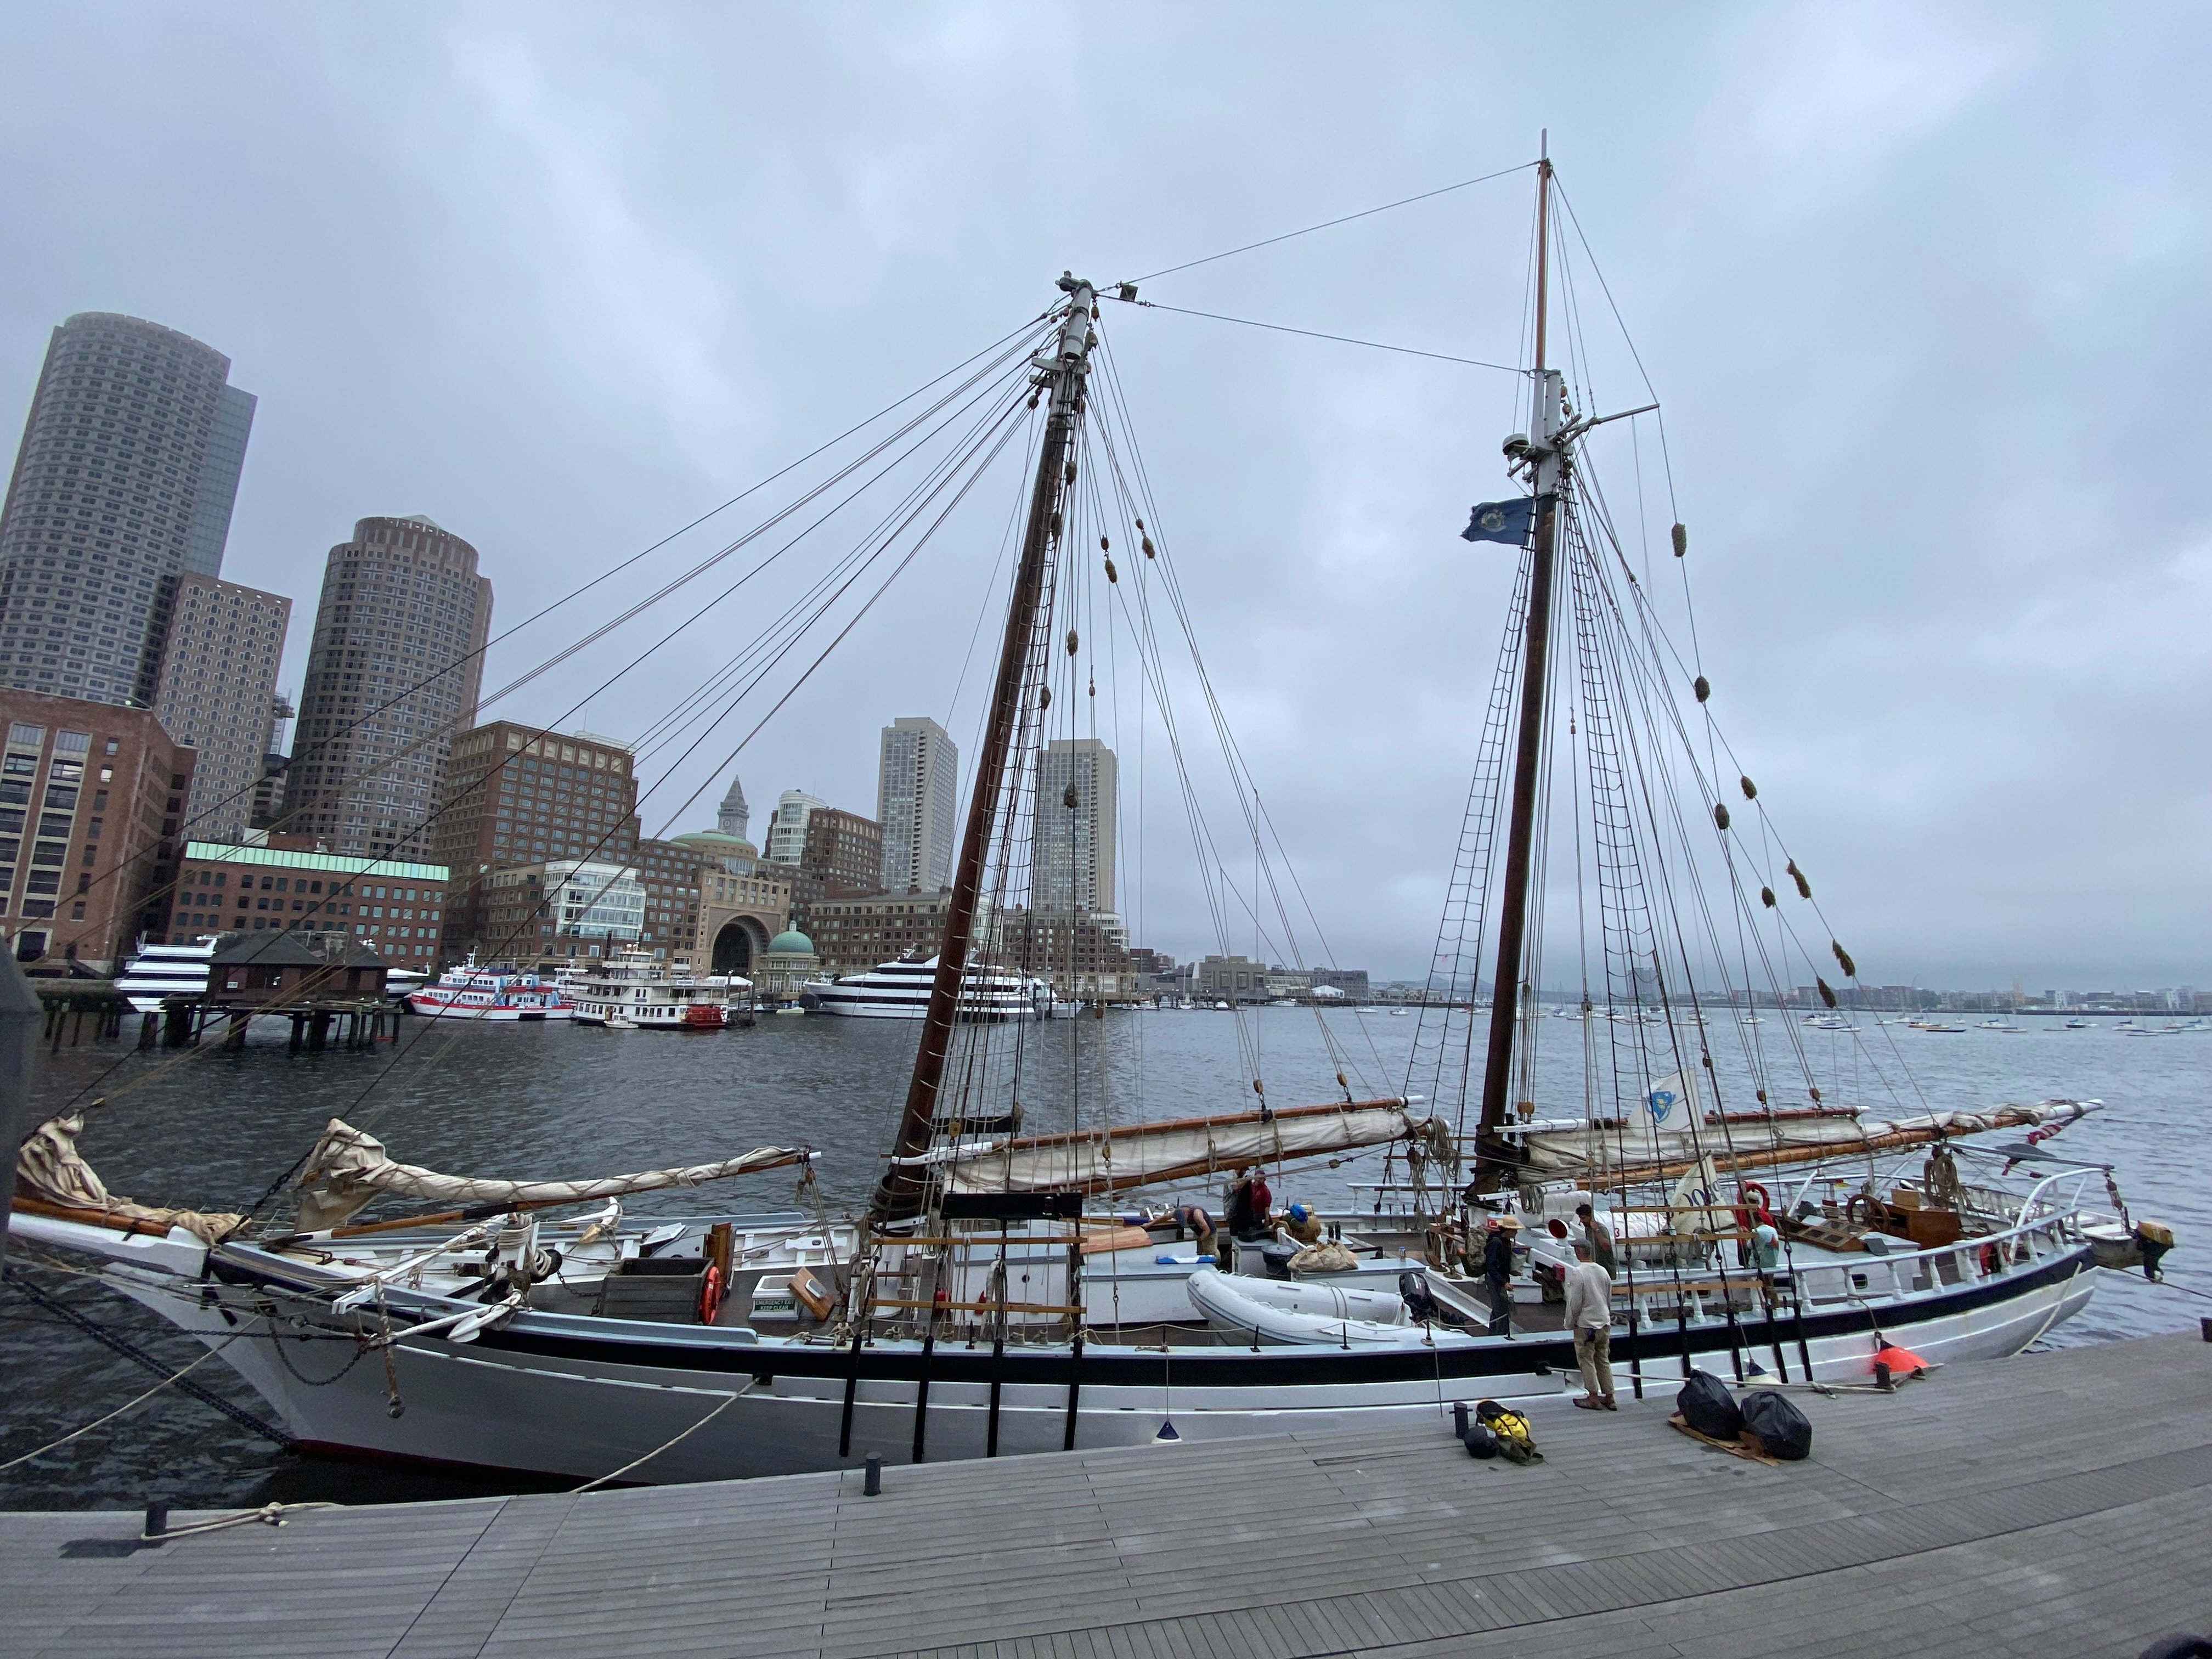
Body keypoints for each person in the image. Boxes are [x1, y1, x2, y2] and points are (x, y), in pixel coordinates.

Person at [1564, 1239, 1618, 1410]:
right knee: (1603, 1359)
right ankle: (1610, 1397)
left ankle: (1593, 1397)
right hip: (1604, 1323)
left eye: (1575, 1249)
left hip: (1586, 1325)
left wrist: (1570, 1323)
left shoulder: (1578, 1273)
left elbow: (1575, 1303)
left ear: (1580, 1252)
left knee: (1586, 1360)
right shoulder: (1603, 1271)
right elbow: (1608, 1297)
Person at [1481, 1214, 1520, 1338]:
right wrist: (1503, 1283)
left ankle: (1493, 1335)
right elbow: (1491, 1266)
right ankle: (1500, 1336)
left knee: (1498, 1309)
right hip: (1496, 1280)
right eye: (1515, 1230)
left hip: (1500, 1277)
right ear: (1508, 1230)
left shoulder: (1505, 1242)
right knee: (1502, 1311)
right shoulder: (1496, 1243)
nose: (1516, 1233)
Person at [1574, 1203, 1617, 1277]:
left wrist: (1596, 1230)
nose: (1581, 1221)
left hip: (1606, 1269)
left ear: (1591, 1216)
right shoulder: (1587, 1229)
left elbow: (1607, 1247)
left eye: (1583, 1218)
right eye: (1580, 1218)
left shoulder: (1601, 1229)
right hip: (1595, 1268)